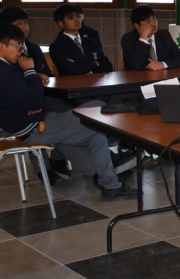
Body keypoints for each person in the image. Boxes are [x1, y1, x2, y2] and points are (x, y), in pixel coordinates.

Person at [0, 22, 136, 200]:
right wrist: (30, 72)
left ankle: (109, 184)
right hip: (36, 127)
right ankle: (118, 136)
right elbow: (33, 100)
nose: (21, 50)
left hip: (40, 121)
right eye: (17, 45)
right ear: (1, 46)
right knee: (96, 106)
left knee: (95, 133)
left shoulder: (7, 69)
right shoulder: (4, 72)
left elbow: (28, 97)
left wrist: (32, 79)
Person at [50, 3, 113, 76]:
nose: (76, 19)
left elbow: (108, 66)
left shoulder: (91, 43)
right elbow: (72, 70)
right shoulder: (57, 46)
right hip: (72, 85)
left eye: (77, 16)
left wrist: (91, 72)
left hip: (94, 84)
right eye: (70, 18)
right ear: (61, 23)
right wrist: (95, 63)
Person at [121, 5, 180, 71]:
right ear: (137, 26)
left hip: (162, 77)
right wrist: (143, 39)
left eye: (154, 19)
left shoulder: (164, 35)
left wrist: (163, 64)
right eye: (147, 21)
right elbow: (135, 66)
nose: (154, 23)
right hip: (139, 79)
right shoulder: (128, 39)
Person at [0, 7, 53, 84]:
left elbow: (48, 74)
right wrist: (32, 75)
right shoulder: (5, 51)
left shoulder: (35, 48)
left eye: (25, 22)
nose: (24, 27)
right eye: (18, 24)